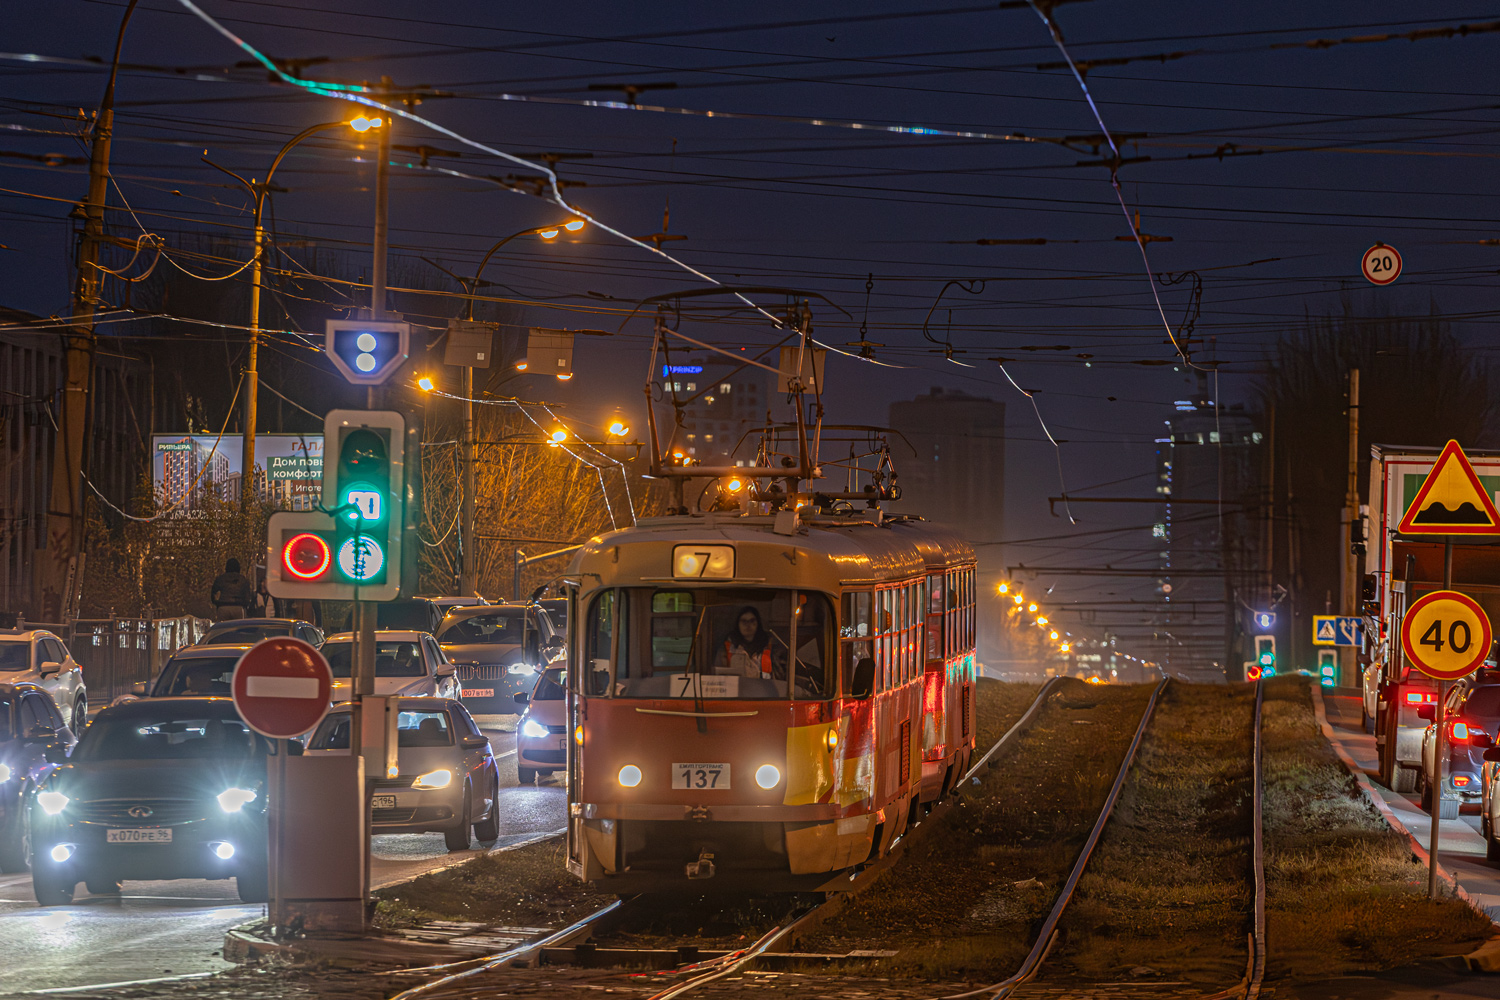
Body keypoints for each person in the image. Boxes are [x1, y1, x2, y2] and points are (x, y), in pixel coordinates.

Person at [717, 606, 778, 678]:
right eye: (744, 621)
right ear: (738, 624)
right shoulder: (728, 647)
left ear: (758, 623)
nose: (748, 625)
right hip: (735, 688)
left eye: (752, 621)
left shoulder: (770, 647)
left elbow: (778, 677)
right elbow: (719, 675)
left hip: (764, 688)